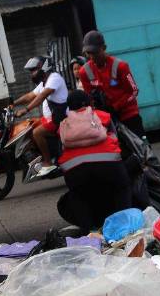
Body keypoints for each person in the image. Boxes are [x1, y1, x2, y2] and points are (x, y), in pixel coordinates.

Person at [43, 90, 132, 231]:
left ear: (69, 106)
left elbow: (60, 150)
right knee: (122, 188)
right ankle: (125, 227)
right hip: (108, 163)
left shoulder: (64, 125)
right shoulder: (103, 116)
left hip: (74, 169)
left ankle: (88, 232)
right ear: (90, 102)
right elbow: (117, 140)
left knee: (78, 196)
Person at [77, 30, 145, 137]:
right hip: (105, 119)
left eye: (95, 52)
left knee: (143, 149)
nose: (92, 56)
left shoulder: (121, 66)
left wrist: (116, 106)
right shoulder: (84, 72)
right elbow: (89, 98)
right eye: (88, 53)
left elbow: (134, 91)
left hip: (128, 115)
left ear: (104, 48)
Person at [11, 56, 68, 177]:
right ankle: (37, 157)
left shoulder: (54, 78)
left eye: (34, 70)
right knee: (29, 127)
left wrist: (25, 110)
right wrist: (12, 104)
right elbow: (30, 96)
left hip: (60, 118)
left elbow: (42, 96)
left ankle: (48, 162)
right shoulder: (44, 82)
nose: (32, 74)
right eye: (31, 71)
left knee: (37, 133)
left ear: (44, 67)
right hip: (51, 118)